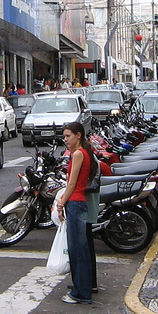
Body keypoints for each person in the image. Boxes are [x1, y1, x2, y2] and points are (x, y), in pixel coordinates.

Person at [54, 121, 97, 304]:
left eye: (68, 136)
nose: (66, 140)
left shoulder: (79, 154)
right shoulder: (83, 152)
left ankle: (81, 292)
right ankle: (82, 286)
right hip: (77, 202)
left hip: (76, 203)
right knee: (80, 248)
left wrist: (61, 202)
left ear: (78, 135)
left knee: (77, 250)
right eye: (64, 137)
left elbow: (72, 183)